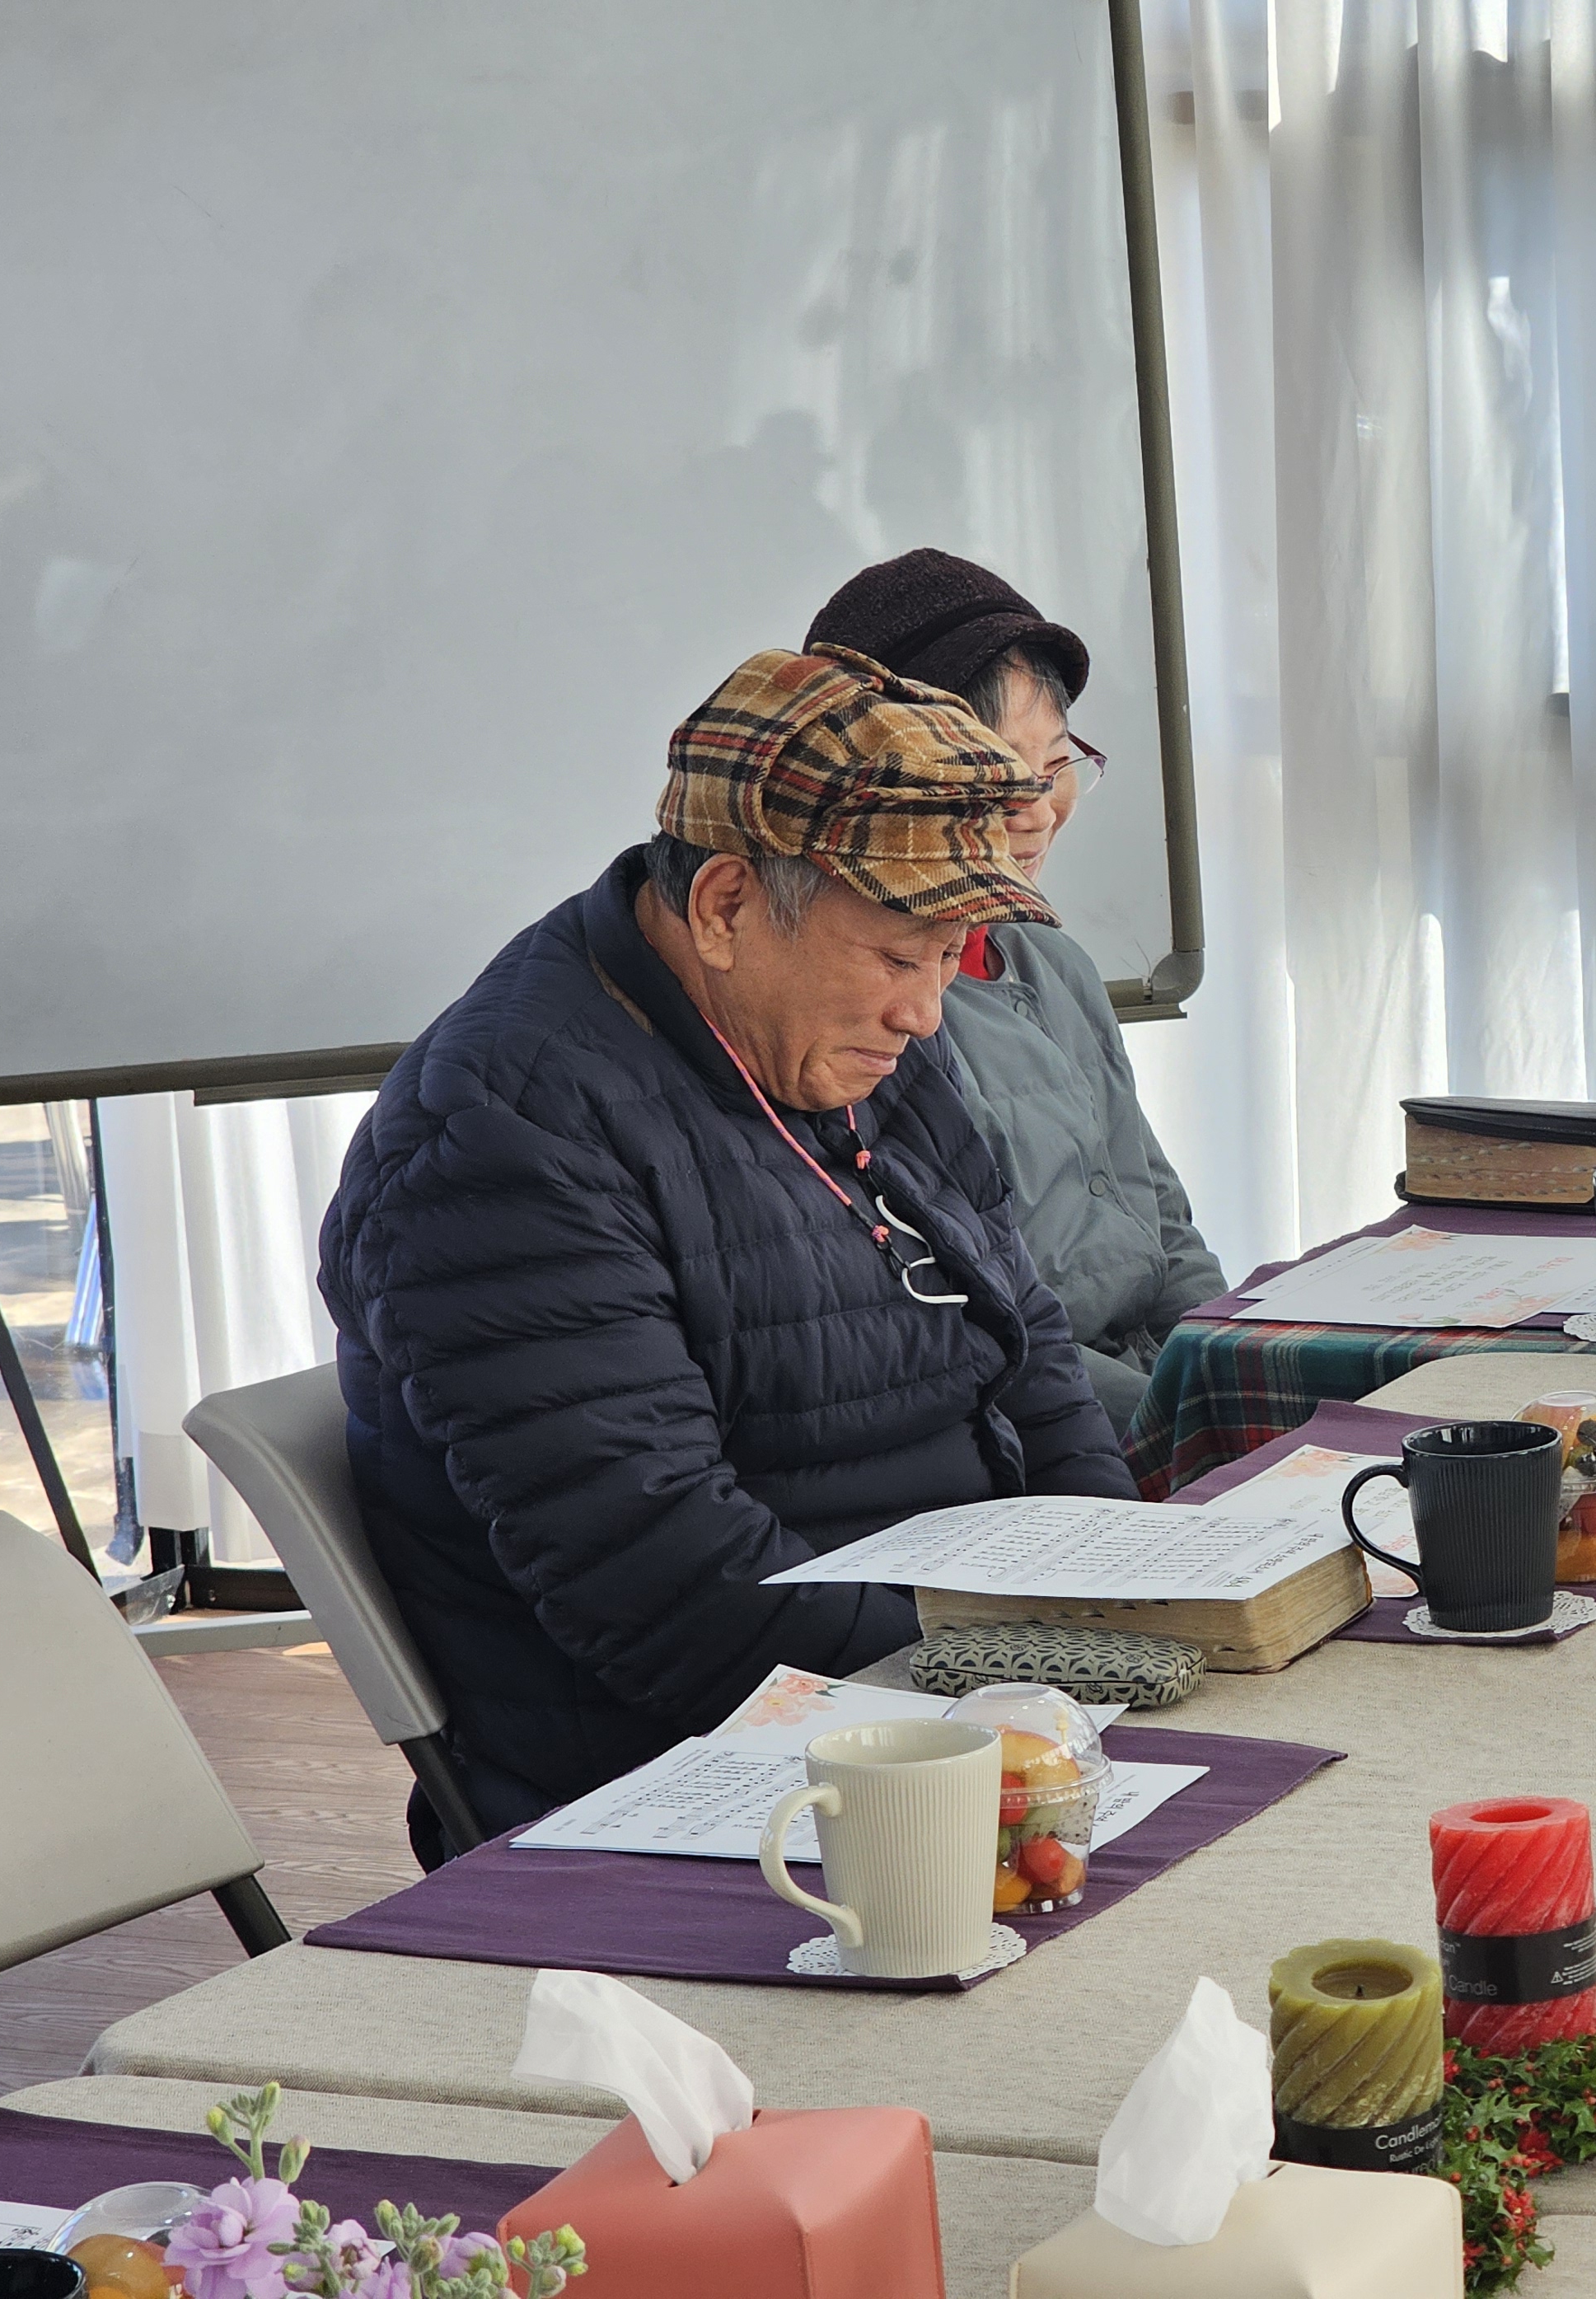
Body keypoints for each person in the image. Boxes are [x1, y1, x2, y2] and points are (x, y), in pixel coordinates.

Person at [320, 646, 1143, 1861]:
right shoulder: (504, 1132)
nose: (924, 1013)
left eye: (948, 958)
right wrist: (1011, 1698)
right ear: (722, 907)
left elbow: (1033, 1360)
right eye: (897, 957)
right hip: (714, 1779)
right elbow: (669, 1587)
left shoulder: (845, 1041)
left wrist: (1121, 1605)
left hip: (955, 1696)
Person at [809, 550, 1228, 1429]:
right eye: (996, 779)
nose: (1037, 811)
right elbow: (973, 1321)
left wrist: (1230, 1365)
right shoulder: (872, 1015)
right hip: (1045, 1418)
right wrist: (1185, 1425)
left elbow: (1165, 1223)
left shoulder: (1056, 963)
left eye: (1053, 766)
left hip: (1157, 1391)